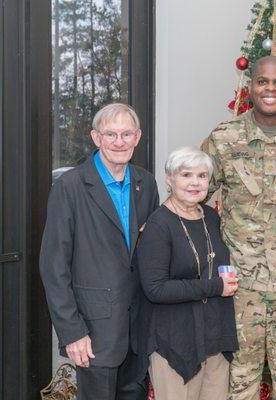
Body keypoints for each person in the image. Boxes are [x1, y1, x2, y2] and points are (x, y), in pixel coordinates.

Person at [201, 55, 276, 400]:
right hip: (241, 287)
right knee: (240, 381)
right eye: (262, 81)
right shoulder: (224, 138)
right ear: (250, 86)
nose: (270, 89)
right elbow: (194, 195)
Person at [39, 103, 159, 399]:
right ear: (96, 138)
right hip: (93, 331)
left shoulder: (146, 182)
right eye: (111, 134)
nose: (119, 142)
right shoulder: (70, 186)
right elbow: (54, 267)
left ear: (137, 137)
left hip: (137, 328)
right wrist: (72, 332)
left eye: (126, 134)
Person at [135, 147, 239, 400]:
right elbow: (156, 289)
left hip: (215, 339)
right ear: (169, 179)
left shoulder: (212, 217)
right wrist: (216, 287)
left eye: (202, 176)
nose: (195, 182)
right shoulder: (159, 225)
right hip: (176, 342)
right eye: (186, 175)